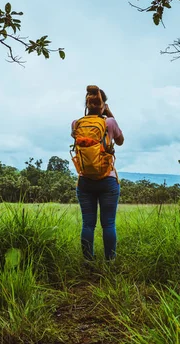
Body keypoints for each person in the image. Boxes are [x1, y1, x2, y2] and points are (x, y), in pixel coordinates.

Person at [71, 86, 124, 262]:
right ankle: (110, 261)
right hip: (107, 179)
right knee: (108, 224)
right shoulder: (109, 122)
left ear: (87, 103)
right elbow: (120, 141)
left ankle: (88, 261)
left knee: (88, 224)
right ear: (103, 104)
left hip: (85, 180)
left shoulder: (76, 123)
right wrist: (109, 114)